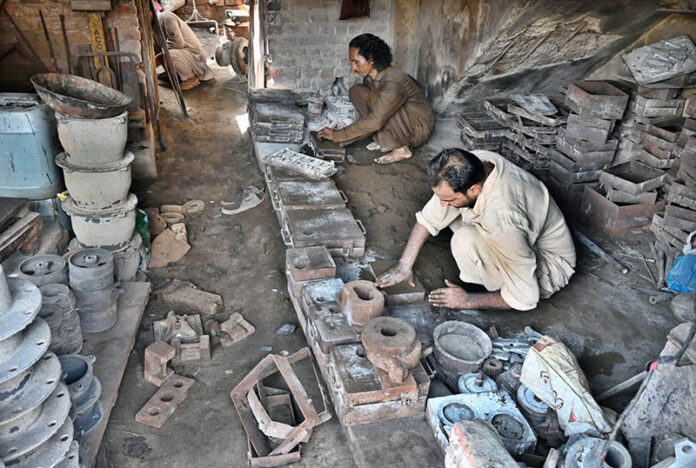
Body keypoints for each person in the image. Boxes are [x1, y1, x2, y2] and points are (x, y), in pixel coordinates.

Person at [375, 148, 576, 311]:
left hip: (550, 266)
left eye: (448, 199)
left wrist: (468, 300)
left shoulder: (504, 222)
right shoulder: (474, 162)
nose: (442, 204)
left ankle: (493, 284)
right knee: (454, 212)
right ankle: (488, 271)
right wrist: (404, 265)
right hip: (523, 233)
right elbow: (429, 217)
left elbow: (526, 297)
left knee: (464, 240)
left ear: (475, 190)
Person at [317, 33, 435, 165]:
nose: (353, 68)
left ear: (371, 60)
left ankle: (402, 149)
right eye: (352, 62)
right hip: (400, 119)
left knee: (378, 104)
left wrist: (337, 135)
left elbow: (376, 120)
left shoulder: (393, 83)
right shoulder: (372, 75)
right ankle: (383, 138)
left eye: (356, 62)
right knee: (357, 91)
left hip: (417, 127)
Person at [154, 2, 213, 90]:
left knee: (169, 54)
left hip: (195, 57)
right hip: (184, 54)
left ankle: (190, 78)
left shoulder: (166, 17)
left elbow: (178, 43)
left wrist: (158, 58)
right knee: (161, 49)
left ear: (150, 12)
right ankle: (172, 73)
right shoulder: (154, 26)